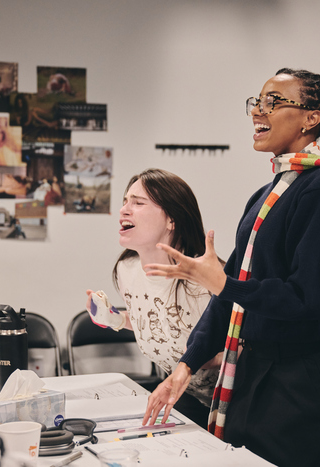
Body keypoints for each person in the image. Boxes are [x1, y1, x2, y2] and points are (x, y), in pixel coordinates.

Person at [140, 69, 320, 467]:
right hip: (255, 375)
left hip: (300, 385)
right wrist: (184, 368)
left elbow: (307, 298)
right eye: (257, 101)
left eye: (274, 101)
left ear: (311, 118)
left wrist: (225, 285)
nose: (259, 110)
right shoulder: (269, 192)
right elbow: (229, 295)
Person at [85, 169, 219, 429]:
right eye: (125, 201)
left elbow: (248, 349)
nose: (124, 210)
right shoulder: (128, 269)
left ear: (172, 219)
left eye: (138, 203)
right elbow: (155, 321)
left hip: (233, 400)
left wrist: (202, 357)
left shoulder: (204, 279)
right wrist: (112, 318)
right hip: (185, 394)